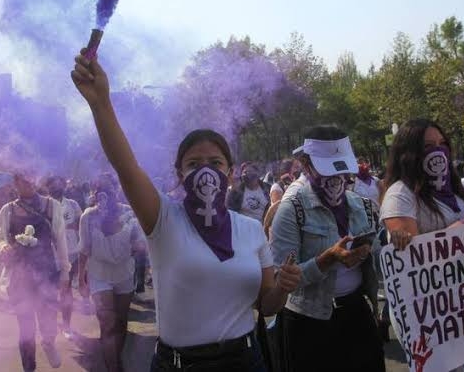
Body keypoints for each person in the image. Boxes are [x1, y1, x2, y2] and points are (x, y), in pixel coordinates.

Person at [71, 50, 301, 372]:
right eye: (194, 164)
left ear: (231, 172)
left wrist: (283, 287)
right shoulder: (163, 219)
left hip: (245, 361)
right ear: (179, 174)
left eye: (216, 163)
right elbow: (125, 165)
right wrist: (100, 103)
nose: (205, 172)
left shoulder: (250, 230)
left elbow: (265, 305)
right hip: (181, 364)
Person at [380, 119, 464, 372]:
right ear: (409, 152)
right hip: (430, 317)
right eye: (428, 146)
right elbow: (416, 258)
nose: (438, 151)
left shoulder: (458, 190)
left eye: (442, 144)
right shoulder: (400, 194)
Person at [269, 126, 384, 372]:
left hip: (355, 313)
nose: (335, 180)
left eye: (340, 169)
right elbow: (280, 278)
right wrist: (326, 260)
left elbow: (378, 260)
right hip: (309, 321)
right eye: (326, 168)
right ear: (306, 165)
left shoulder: (361, 205)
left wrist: (391, 243)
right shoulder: (292, 209)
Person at [0, 173, 69, 372]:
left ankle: (48, 342)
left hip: (46, 275)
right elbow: (0, 238)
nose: (28, 181)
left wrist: (65, 273)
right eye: (22, 178)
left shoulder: (51, 206)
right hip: (19, 278)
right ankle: (29, 367)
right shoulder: (7, 210)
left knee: (48, 321)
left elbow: (60, 241)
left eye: (31, 176)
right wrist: (3, 247)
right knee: (25, 329)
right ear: (15, 182)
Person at [77, 177, 145, 372]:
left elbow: (140, 245)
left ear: (118, 191)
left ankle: (116, 357)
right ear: (94, 195)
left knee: (121, 321)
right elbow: (84, 250)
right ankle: (113, 368)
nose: (105, 196)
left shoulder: (130, 214)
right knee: (107, 323)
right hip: (99, 274)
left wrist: (139, 246)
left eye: (110, 190)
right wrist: (82, 279)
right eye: (100, 191)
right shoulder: (88, 217)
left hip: (124, 273)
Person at [45, 175, 83, 341]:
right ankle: (50, 325)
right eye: (53, 183)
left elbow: (81, 224)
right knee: (49, 292)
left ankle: (67, 325)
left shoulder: (73, 205)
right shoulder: (43, 205)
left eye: (59, 182)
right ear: (48, 187)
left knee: (66, 291)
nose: (57, 185)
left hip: (71, 253)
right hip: (49, 255)